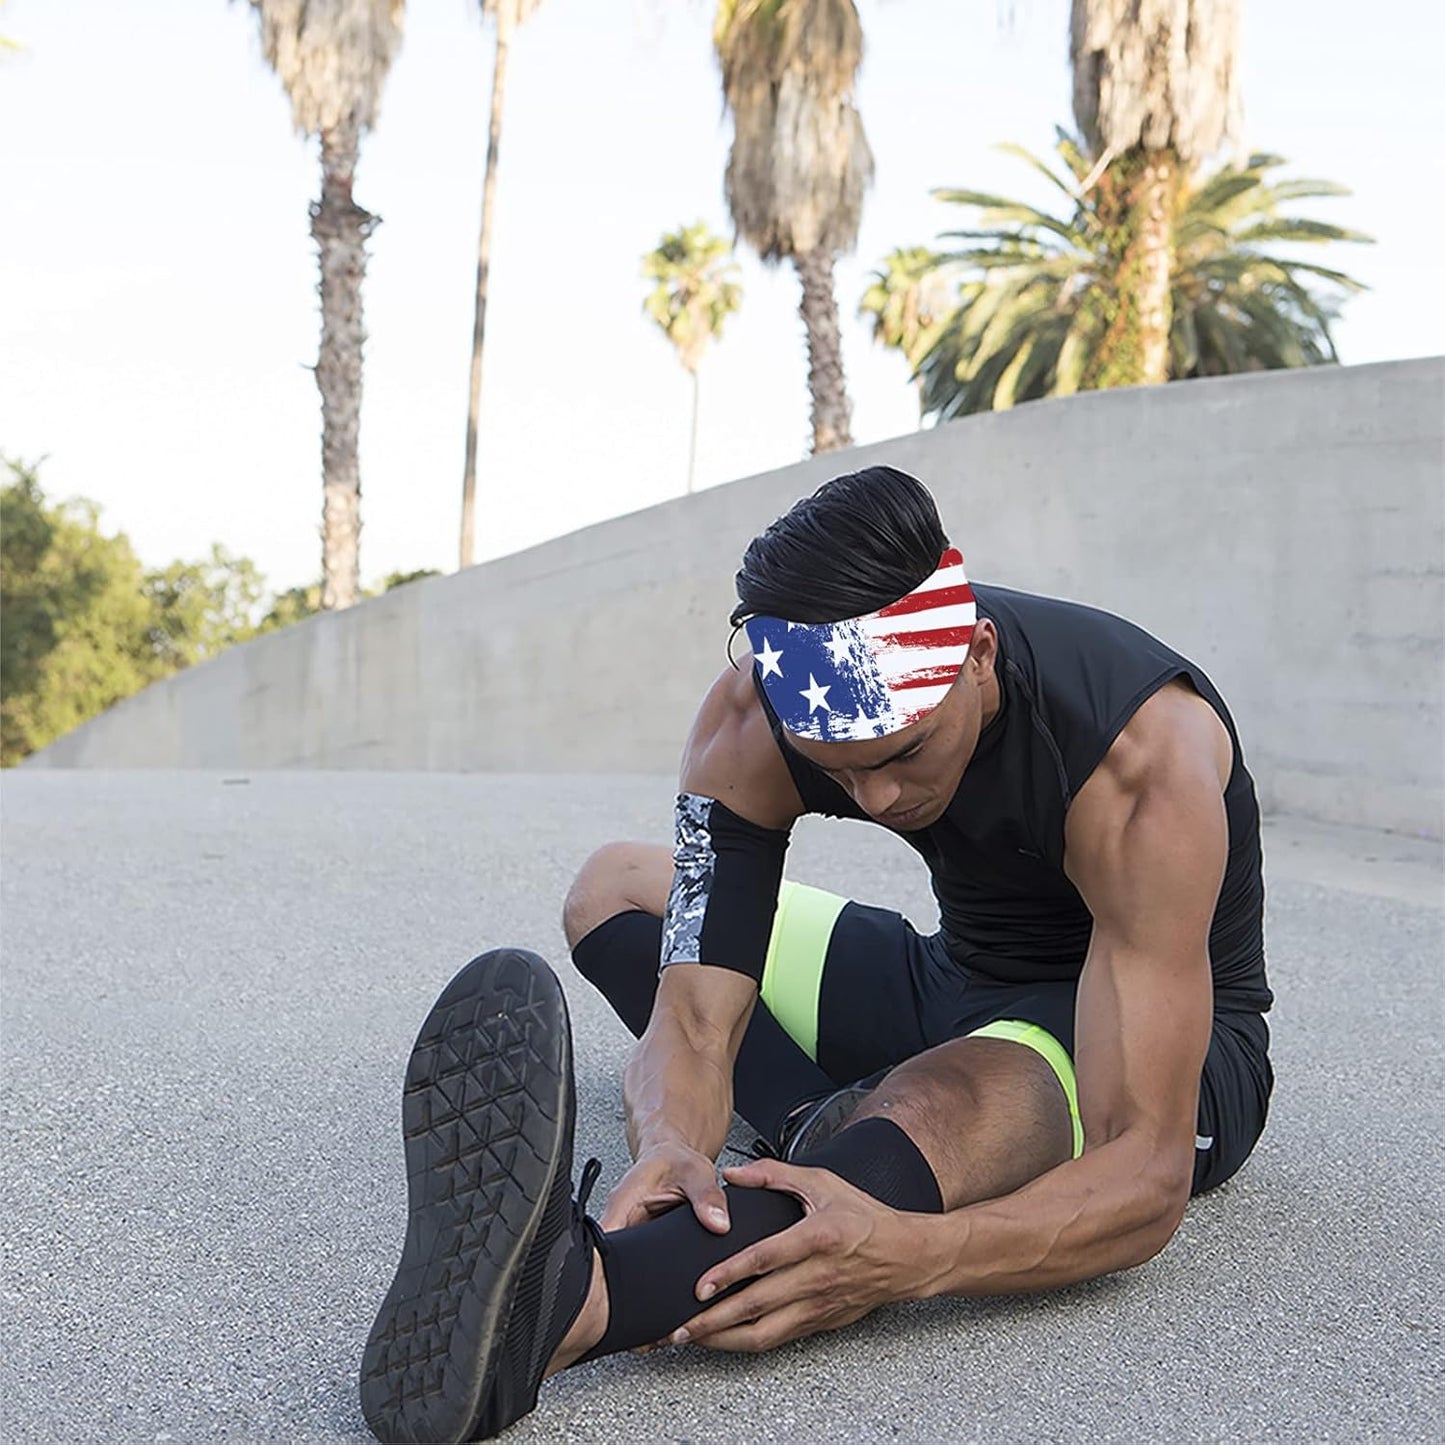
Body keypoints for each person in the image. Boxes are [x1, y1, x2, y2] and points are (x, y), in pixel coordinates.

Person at [358, 467, 1274, 1443]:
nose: (872, 798)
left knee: (939, 1099)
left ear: (974, 655)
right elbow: (692, 1020)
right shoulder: (752, 713)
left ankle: (574, 1300)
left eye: (899, 756)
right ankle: (820, 1133)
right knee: (617, 887)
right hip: (954, 976)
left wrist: (919, 1254)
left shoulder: (1135, 755)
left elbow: (1145, 1175)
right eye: (837, 768)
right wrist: (671, 1139)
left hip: (1166, 1048)